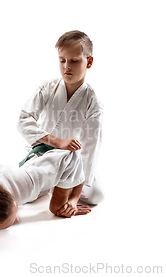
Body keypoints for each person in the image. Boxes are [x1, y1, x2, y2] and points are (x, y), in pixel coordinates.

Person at [17, 30, 104, 208]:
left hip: (72, 162)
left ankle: (60, 187)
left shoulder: (93, 102)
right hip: (43, 154)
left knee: (97, 194)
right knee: (25, 190)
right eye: (62, 60)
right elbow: (23, 119)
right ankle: (52, 185)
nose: (67, 67)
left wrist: (74, 198)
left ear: (89, 62)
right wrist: (57, 142)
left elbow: (89, 149)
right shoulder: (47, 88)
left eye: (74, 61)